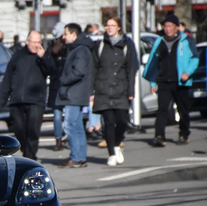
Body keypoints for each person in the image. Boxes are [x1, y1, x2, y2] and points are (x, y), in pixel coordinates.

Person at [143, 14, 199, 146]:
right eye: (165, 26)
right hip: (164, 81)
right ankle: (159, 136)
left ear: (176, 27)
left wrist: (187, 72)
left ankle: (184, 134)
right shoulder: (159, 42)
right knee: (162, 109)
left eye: (170, 26)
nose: (167, 29)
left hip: (181, 81)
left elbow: (195, 59)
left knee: (182, 109)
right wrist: (152, 82)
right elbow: (153, 63)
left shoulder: (186, 40)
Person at [0, 30, 55, 161]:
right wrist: (2, 98)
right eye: (33, 42)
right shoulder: (18, 55)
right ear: (27, 42)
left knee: (33, 129)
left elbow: (52, 71)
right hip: (17, 100)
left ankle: (30, 156)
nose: (36, 45)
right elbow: (8, 77)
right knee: (19, 129)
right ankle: (26, 150)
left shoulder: (44, 56)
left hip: (36, 100)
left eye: (38, 42)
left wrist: (44, 57)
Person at [91, 16, 137, 167]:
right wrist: (92, 91)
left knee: (123, 121)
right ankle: (111, 153)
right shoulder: (100, 45)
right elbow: (93, 69)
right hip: (103, 89)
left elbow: (131, 68)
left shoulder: (127, 45)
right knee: (109, 123)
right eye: (107, 25)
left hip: (121, 89)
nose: (109, 28)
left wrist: (131, 90)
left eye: (112, 25)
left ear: (119, 28)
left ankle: (117, 143)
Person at [57, 23, 94, 168]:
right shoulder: (79, 48)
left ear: (74, 35)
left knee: (70, 125)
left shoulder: (80, 50)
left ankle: (76, 157)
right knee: (77, 125)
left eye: (66, 33)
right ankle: (80, 157)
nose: (63, 36)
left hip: (74, 93)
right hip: (77, 92)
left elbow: (78, 72)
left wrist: (63, 80)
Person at [47, 22, 68, 151]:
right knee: (59, 116)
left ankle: (61, 140)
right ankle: (59, 140)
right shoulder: (55, 47)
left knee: (63, 116)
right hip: (59, 85)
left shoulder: (65, 46)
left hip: (62, 84)